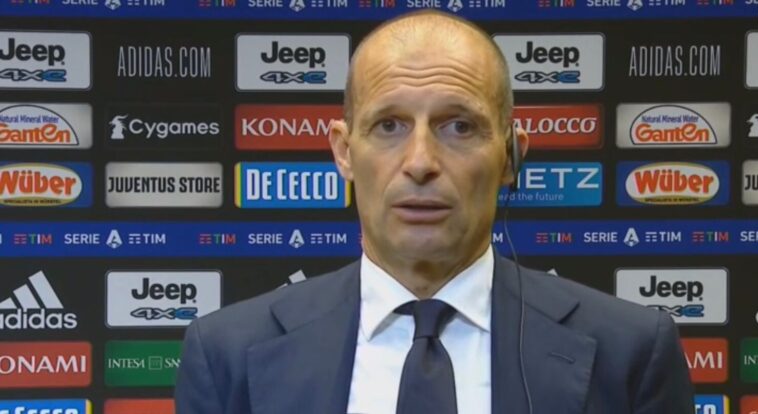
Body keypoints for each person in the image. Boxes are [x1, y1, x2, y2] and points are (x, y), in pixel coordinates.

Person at [175, 11, 694, 414]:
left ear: (511, 156)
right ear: (344, 152)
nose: (420, 162)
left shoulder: (630, 351)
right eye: (389, 126)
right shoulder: (226, 353)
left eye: (459, 127)